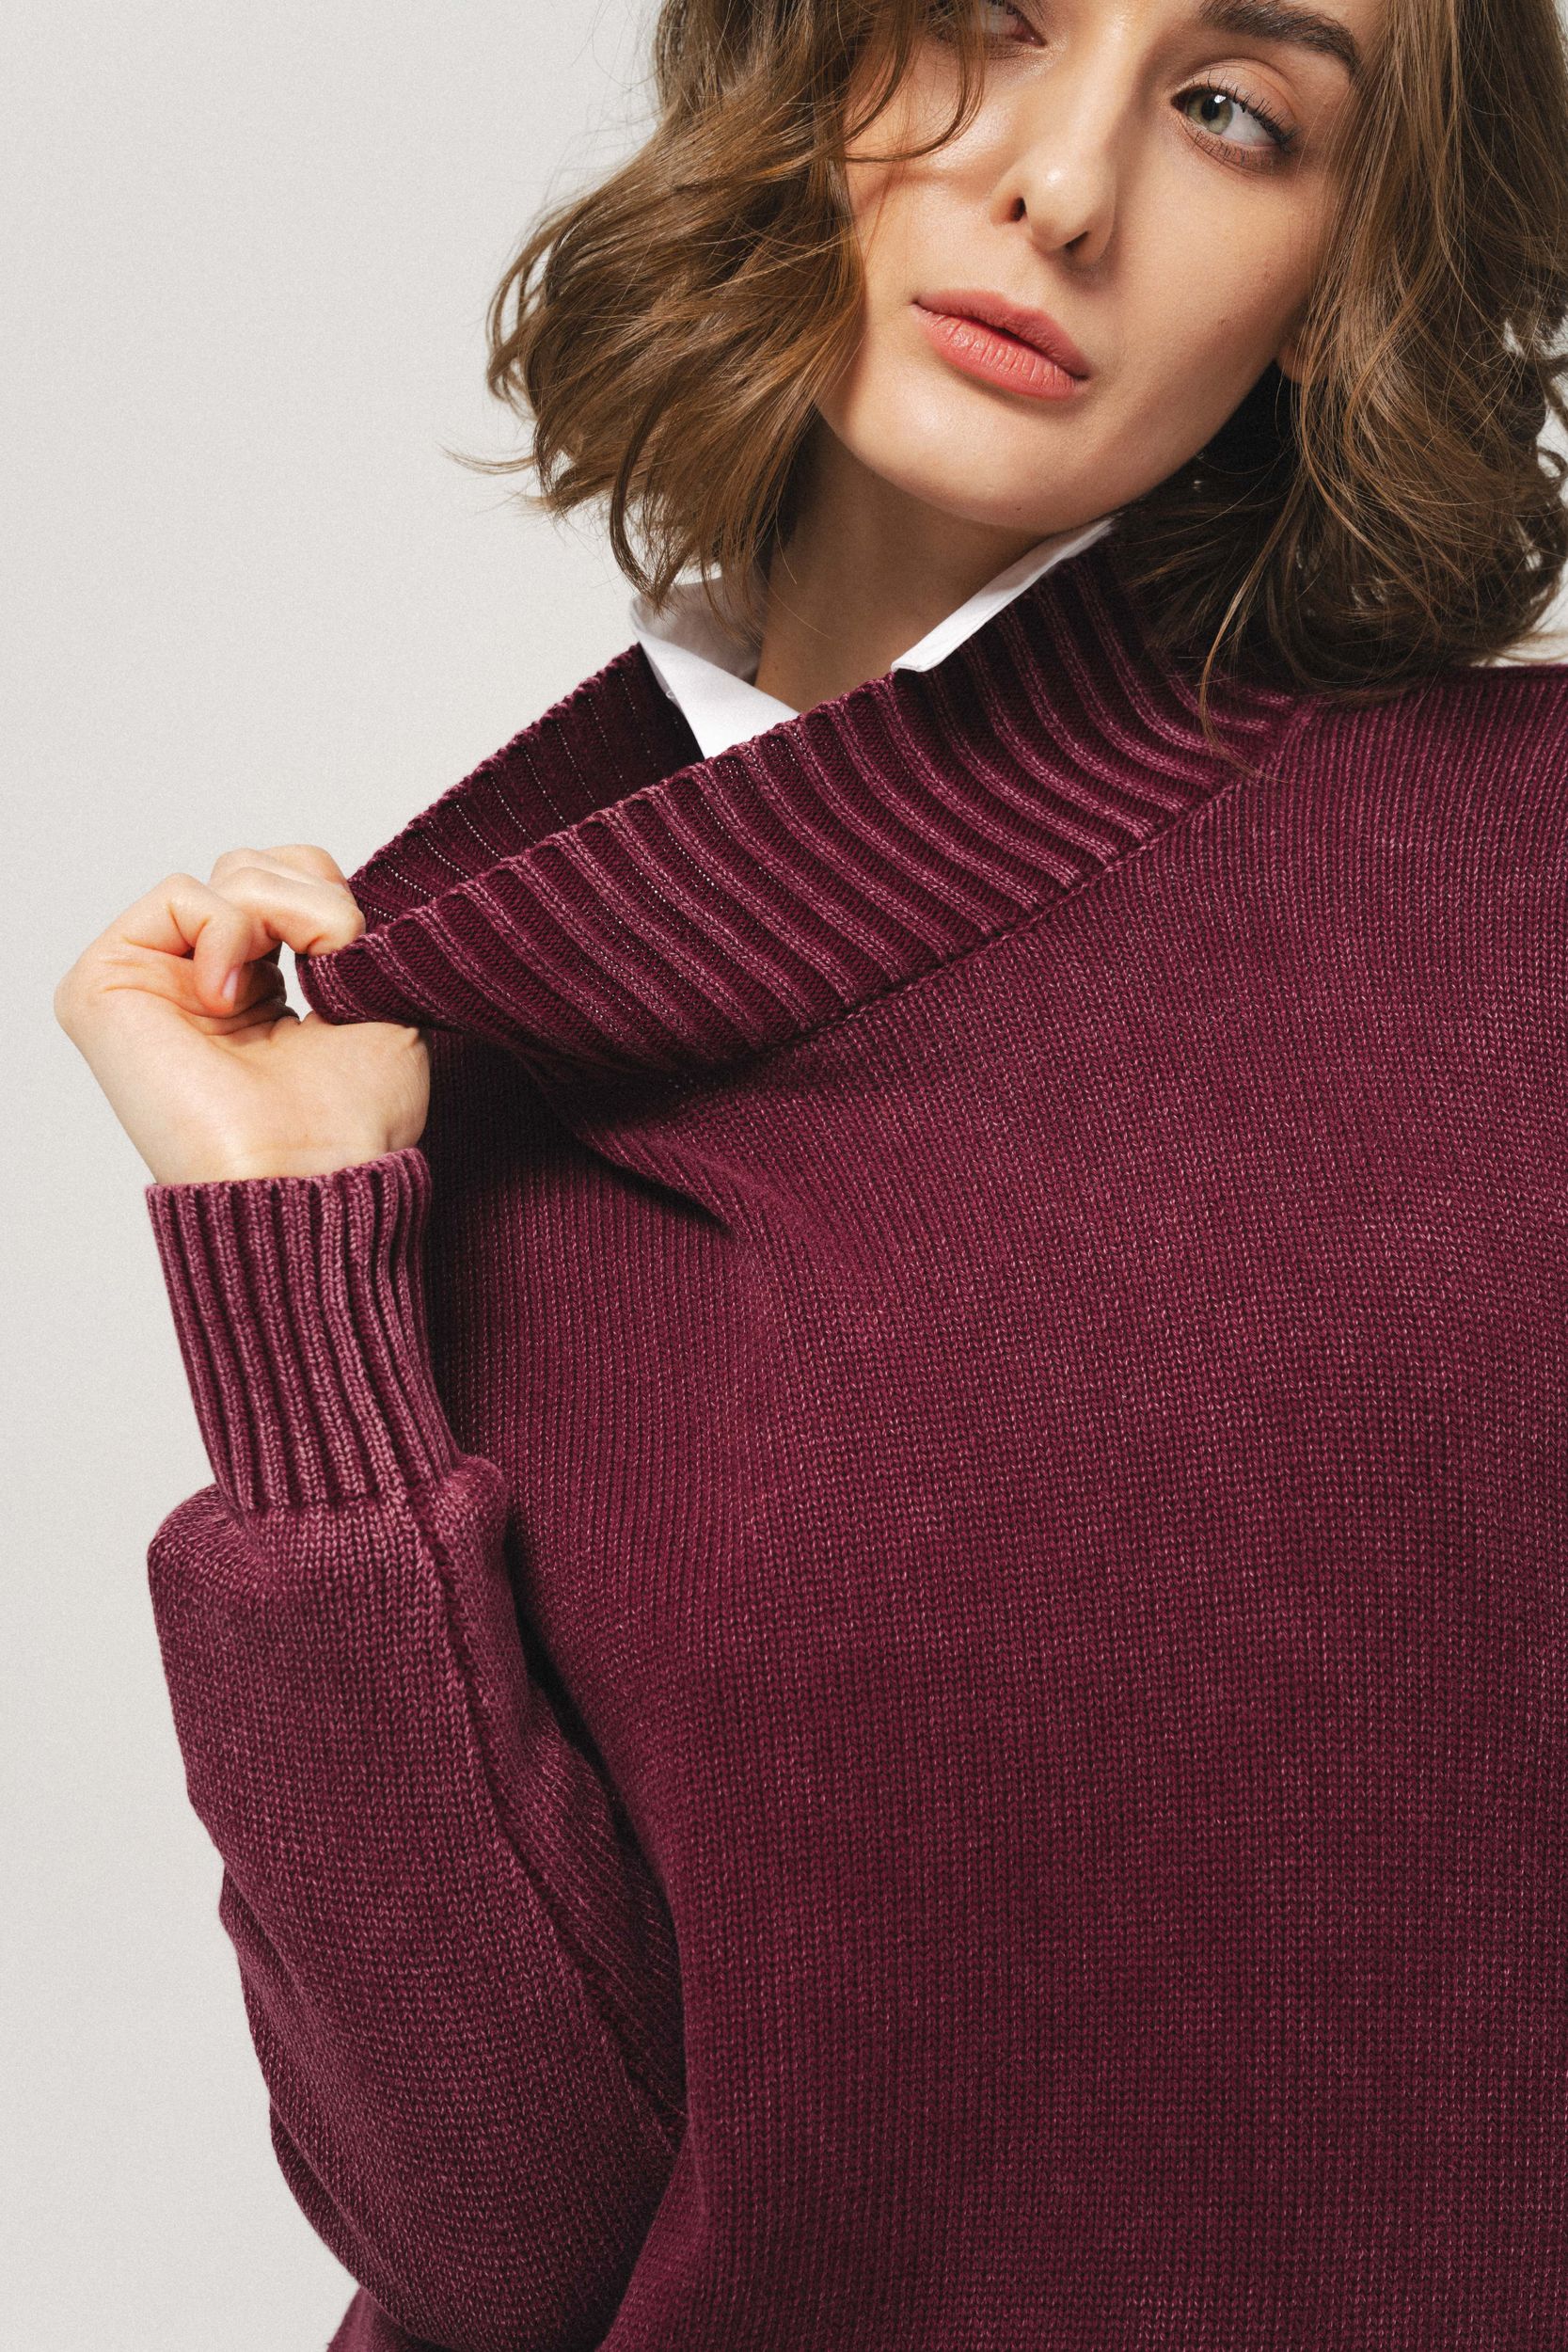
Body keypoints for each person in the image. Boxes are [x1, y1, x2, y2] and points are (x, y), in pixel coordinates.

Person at [53, 0, 1568, 2344]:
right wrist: (293, 1280)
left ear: (1339, 270)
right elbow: (497, 2238)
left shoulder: (1521, 872)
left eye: (1232, 111)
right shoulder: (464, 1060)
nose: (1063, 187)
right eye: (987, 22)